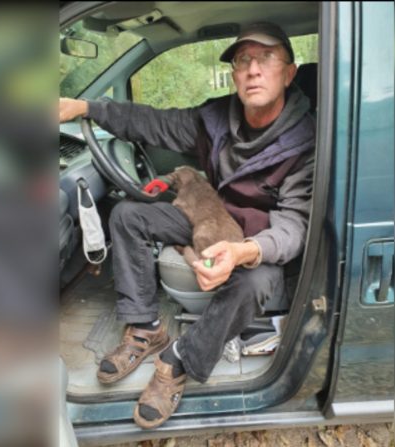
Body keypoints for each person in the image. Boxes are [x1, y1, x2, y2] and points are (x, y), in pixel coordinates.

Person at [59, 21, 315, 429]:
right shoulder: (214, 119)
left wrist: (243, 252)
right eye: (243, 60)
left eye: (265, 59)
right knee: (128, 215)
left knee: (253, 282)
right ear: (234, 74)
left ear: (289, 72)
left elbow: (295, 226)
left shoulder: (307, 141)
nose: (252, 70)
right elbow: (153, 122)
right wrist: (87, 108)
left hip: (259, 242)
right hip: (212, 215)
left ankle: (178, 361)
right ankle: (146, 328)